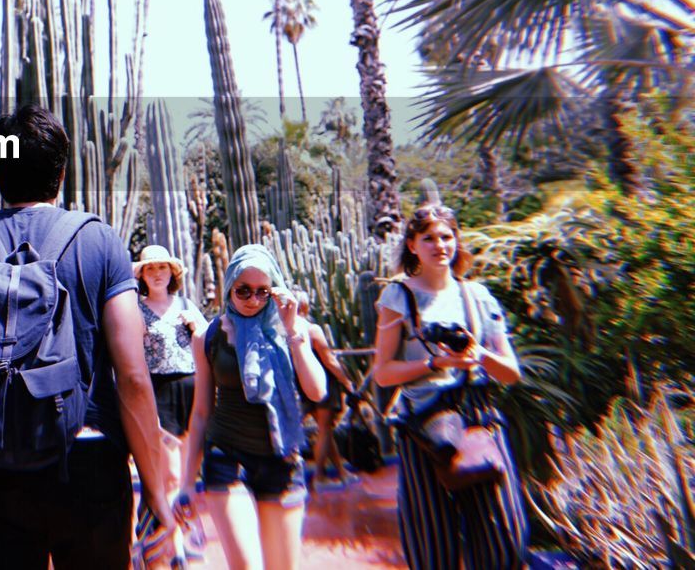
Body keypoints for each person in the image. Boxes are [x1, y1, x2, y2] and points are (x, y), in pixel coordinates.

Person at [0, 104, 176, 569]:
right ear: (61, 173)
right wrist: (156, 491)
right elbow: (134, 378)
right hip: (89, 464)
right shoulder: (99, 243)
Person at [372, 205, 528, 570]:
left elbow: (511, 372)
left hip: (478, 420)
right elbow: (382, 373)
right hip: (425, 425)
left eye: (447, 237)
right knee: (432, 547)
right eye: (429, 238)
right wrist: (434, 363)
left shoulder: (478, 296)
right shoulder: (398, 297)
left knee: (504, 540)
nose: (440, 245)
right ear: (412, 245)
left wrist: (478, 355)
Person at [178, 244, 328, 570]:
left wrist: (292, 333)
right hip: (227, 455)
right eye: (243, 291)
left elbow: (317, 392)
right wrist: (187, 482)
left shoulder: (294, 329)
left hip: (281, 458)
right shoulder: (210, 335)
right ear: (229, 286)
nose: (253, 300)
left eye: (263, 292)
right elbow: (201, 412)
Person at [136, 244, 206, 564]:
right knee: (171, 475)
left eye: (162, 268)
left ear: (172, 273)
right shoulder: (137, 310)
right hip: (159, 393)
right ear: (143, 276)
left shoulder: (187, 305)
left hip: (189, 389)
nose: (157, 273)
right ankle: (173, 547)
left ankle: (175, 538)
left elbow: (207, 342)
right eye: (151, 269)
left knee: (184, 473)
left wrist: (198, 327)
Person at [295, 290, 359, 489]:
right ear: (304, 306)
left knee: (326, 430)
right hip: (322, 382)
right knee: (324, 428)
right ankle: (320, 477)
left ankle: (341, 472)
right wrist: (347, 381)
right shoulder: (312, 329)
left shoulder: (286, 330)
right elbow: (329, 360)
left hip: (302, 383)